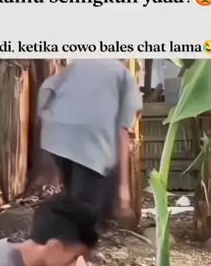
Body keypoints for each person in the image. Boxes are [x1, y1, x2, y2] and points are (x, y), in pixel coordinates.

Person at [38, 59, 142, 227]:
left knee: (77, 197)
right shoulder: (123, 77)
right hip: (91, 144)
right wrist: (124, 192)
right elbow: (122, 133)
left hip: (59, 138)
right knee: (89, 208)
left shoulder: (75, 70)